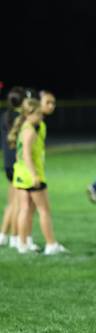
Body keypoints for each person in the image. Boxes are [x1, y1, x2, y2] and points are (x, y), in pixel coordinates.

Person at [9, 96, 67, 255]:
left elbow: (18, 156)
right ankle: (51, 245)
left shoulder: (24, 128)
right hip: (31, 176)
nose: (41, 117)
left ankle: (22, 244)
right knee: (44, 210)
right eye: (39, 114)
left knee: (24, 209)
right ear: (30, 114)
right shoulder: (29, 132)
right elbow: (27, 155)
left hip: (20, 175)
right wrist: (34, 175)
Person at [0, 87, 24, 248]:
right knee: (19, 203)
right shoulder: (21, 118)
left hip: (7, 163)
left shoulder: (4, 116)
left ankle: (2, 236)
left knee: (11, 202)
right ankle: (15, 237)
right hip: (17, 162)